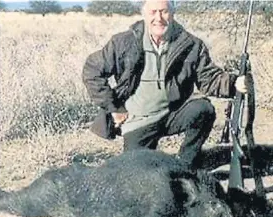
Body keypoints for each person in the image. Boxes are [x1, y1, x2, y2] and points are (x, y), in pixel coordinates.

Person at [82, 0, 247, 170]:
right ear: (144, 14)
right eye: (153, 12)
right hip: (138, 121)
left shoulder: (190, 44)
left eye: (164, 11)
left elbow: (209, 78)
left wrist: (235, 83)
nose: (159, 18)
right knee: (136, 175)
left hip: (172, 114)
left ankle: (186, 165)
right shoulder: (123, 42)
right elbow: (91, 71)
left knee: (203, 109)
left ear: (173, 13)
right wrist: (114, 108)